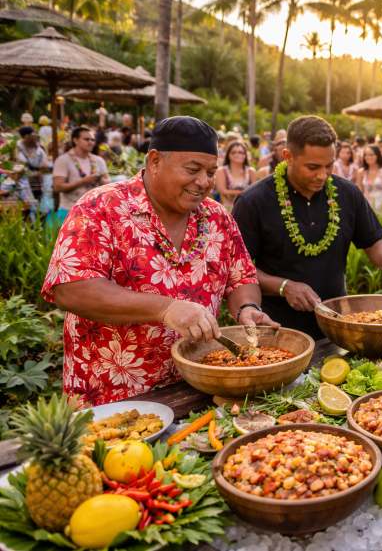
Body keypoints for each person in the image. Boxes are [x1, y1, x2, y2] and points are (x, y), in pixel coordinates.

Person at [40, 116, 277, 406]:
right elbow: (71, 289)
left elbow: (242, 278)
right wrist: (167, 309)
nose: (203, 182)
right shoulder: (100, 207)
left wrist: (247, 308)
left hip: (194, 389)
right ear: (154, 161)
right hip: (112, 397)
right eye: (193, 169)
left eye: (211, 171)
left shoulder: (217, 217)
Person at [232, 115, 382, 339]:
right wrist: (284, 286)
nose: (322, 175)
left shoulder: (347, 193)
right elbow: (237, 269)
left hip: (336, 324)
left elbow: (373, 240)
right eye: (313, 167)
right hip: (277, 329)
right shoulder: (253, 201)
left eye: (329, 165)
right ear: (287, 156)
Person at [51, 126, 110, 225]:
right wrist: (83, 181)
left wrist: (101, 181)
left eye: (92, 140)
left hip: (95, 211)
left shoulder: (98, 160)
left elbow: (107, 181)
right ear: (75, 140)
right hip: (70, 210)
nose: (91, 142)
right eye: (86, 139)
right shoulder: (63, 160)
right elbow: (57, 187)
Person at [16, 126, 50, 208]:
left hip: (39, 181)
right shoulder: (17, 150)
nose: (35, 136)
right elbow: (19, 166)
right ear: (26, 136)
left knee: (39, 202)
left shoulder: (39, 149)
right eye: (32, 134)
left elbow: (45, 165)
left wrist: (40, 172)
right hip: (24, 184)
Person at [215, 141, 256, 210]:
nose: (237, 154)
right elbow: (222, 190)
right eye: (233, 152)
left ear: (245, 155)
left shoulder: (251, 171)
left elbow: (255, 191)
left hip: (248, 208)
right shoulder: (221, 171)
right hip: (227, 209)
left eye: (241, 152)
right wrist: (245, 193)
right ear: (228, 155)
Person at [358, 144, 382, 212]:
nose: (368, 157)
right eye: (366, 155)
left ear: (378, 155)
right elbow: (359, 191)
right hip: (366, 206)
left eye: (371, 155)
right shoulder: (361, 172)